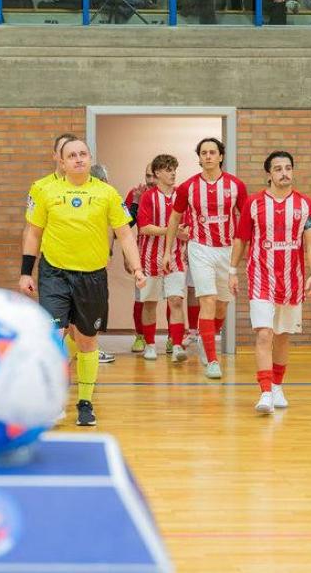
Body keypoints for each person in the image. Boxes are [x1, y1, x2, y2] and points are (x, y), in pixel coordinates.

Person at [20, 137, 146, 427]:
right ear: (61, 162)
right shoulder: (45, 190)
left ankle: (85, 403)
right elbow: (33, 233)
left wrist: (137, 268)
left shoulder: (107, 193)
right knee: (53, 336)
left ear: (90, 159)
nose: (78, 159)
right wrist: (26, 272)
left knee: (87, 341)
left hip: (92, 277)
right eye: (72, 155)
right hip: (55, 274)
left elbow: (125, 234)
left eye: (83, 154)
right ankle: (52, 399)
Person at [229, 151, 311, 413]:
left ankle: (278, 386)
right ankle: (265, 392)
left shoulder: (304, 204)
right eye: (278, 169)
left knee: (282, 336)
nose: (284, 173)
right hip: (261, 278)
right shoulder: (254, 203)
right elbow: (241, 239)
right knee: (264, 334)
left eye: (288, 168)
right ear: (269, 174)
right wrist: (232, 270)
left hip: (292, 280)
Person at [162, 137, 247, 379]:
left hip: (227, 250)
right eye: (203, 153)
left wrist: (247, 249)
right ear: (199, 158)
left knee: (221, 305)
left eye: (212, 152)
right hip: (200, 248)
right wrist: (167, 251)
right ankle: (212, 360)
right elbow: (175, 218)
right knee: (207, 300)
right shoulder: (188, 187)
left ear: (220, 156)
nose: (208, 156)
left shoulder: (236, 185)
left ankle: (204, 338)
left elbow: (245, 219)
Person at [136, 154, 189, 362]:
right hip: (150, 259)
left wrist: (184, 233)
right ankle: (150, 345)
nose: (173, 173)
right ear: (157, 173)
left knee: (176, 301)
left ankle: (176, 345)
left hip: (176, 259)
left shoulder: (182, 196)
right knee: (150, 303)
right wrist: (171, 230)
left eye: (174, 169)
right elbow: (144, 228)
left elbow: (187, 228)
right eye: (168, 170)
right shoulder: (148, 197)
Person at [125, 161, 155, 354]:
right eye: (147, 176)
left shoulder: (174, 193)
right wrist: (126, 255)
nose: (150, 180)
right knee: (141, 298)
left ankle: (172, 339)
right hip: (142, 254)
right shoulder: (135, 193)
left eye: (154, 175)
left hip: (168, 254)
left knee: (173, 298)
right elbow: (124, 227)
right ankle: (140, 336)